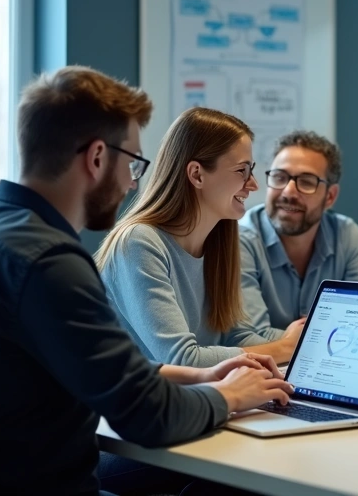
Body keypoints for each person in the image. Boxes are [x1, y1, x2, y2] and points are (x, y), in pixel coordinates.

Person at [0, 67, 293, 496]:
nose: (133, 181)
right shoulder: (48, 263)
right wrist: (231, 396)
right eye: (132, 162)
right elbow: (149, 417)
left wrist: (198, 377)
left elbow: (94, 367)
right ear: (97, 158)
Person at [98, 108, 306, 366]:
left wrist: (307, 340)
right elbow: (182, 359)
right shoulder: (139, 243)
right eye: (242, 170)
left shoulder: (220, 243)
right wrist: (287, 347)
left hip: (197, 400)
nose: (253, 184)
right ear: (196, 174)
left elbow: (236, 338)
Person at [237, 130, 358, 339]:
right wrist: (339, 334)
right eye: (279, 177)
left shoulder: (343, 233)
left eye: (306, 182)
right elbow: (250, 338)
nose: (288, 192)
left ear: (330, 196)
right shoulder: (240, 239)